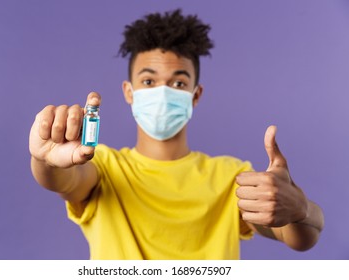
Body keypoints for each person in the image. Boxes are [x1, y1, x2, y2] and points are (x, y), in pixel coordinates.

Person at [29, 9, 324, 260]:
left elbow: (299, 237)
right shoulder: (104, 166)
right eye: (148, 80)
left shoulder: (231, 178)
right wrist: (46, 160)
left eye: (179, 84)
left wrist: (299, 208)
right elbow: (65, 180)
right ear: (128, 92)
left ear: (195, 96)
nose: (163, 92)